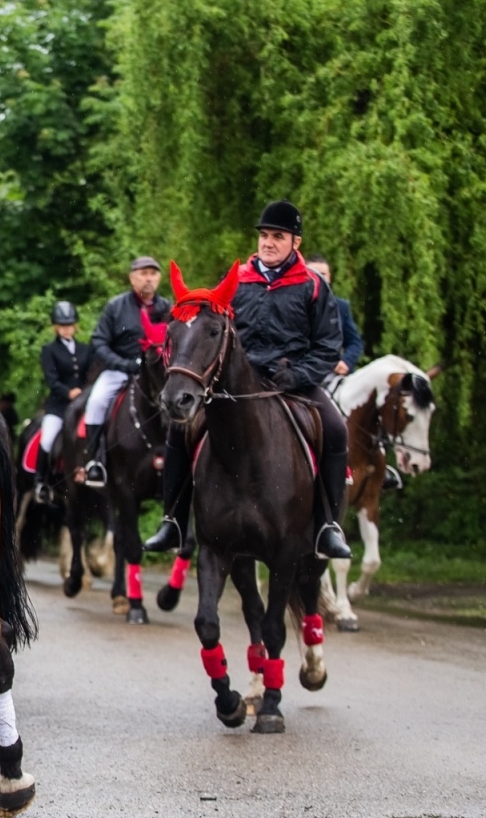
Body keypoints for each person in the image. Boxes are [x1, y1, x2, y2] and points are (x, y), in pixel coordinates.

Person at [145, 200, 351, 559]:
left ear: (295, 243)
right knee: (179, 429)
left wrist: (298, 375)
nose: (268, 243)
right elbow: (210, 332)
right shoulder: (236, 280)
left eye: (278, 237)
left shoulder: (314, 286)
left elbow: (329, 346)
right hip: (238, 384)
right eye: (264, 236)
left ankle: (328, 527)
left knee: (336, 429)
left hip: (294, 382)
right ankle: (173, 521)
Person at [78, 257, 170, 487]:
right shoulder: (116, 306)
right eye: (143, 273)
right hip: (120, 370)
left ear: (159, 278)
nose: (148, 278)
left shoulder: (167, 308)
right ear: (132, 277)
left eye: (153, 273)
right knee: (96, 402)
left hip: (158, 373)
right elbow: (99, 341)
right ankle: (95, 461)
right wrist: (123, 364)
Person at [34, 300, 90, 504]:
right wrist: (68, 393)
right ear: (56, 327)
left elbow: (89, 375)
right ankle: (41, 482)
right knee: (47, 439)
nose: (66, 329)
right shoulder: (49, 350)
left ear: (74, 325)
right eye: (62, 325)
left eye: (69, 325)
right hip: (59, 406)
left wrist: (83, 393)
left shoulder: (86, 349)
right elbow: (51, 379)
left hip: (83, 406)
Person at [306, 256, 364, 380]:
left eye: (323, 274)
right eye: (313, 274)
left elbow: (354, 342)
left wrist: (345, 362)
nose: (319, 278)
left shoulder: (341, 307)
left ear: (329, 277)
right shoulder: (292, 305)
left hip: (334, 377)